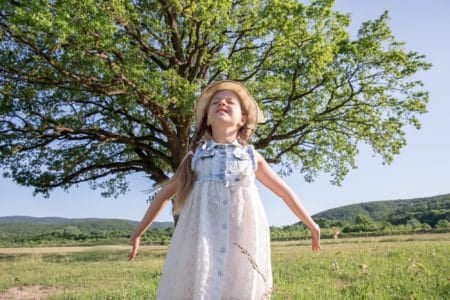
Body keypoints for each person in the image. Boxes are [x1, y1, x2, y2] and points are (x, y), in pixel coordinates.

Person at [128, 80, 321, 299]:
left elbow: (285, 192)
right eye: (216, 102)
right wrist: (138, 232)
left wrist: (311, 224)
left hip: (242, 236)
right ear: (208, 120)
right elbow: (164, 194)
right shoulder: (195, 157)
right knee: (201, 282)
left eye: (230, 102)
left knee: (238, 283)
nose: (222, 104)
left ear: (242, 121)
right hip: (203, 235)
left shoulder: (252, 157)